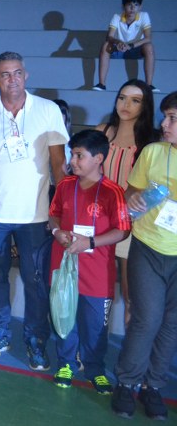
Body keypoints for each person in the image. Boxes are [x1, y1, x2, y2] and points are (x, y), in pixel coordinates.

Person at [0, 51, 68, 370]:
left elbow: (58, 164)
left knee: (35, 281)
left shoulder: (48, 110)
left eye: (17, 72)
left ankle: (36, 340)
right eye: (5, 74)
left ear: (26, 75)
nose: (13, 79)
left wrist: (63, 209)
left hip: (36, 217)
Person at [111, 92, 177, 421]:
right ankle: (126, 383)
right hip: (148, 246)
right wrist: (134, 199)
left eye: (173, 119)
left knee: (171, 323)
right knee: (146, 319)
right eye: (165, 116)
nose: (164, 124)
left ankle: (153, 386)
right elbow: (130, 192)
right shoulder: (153, 152)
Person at [48, 129, 130, 393]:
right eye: (72, 154)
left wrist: (91, 242)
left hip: (97, 274)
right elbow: (53, 215)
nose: (72, 161)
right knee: (64, 318)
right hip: (64, 267)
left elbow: (123, 230)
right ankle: (66, 364)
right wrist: (57, 231)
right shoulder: (64, 186)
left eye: (79, 155)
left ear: (98, 158)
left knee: (95, 326)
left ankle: (95, 369)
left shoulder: (113, 192)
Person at [95, 79, 157, 327]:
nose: (126, 104)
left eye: (135, 100)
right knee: (94, 290)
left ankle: (131, 346)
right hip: (97, 218)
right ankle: (92, 341)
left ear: (145, 105)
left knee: (131, 295)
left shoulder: (152, 141)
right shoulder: (102, 131)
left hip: (132, 224)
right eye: (122, 97)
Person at [94, 0, 157, 93]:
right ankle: (101, 84)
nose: (132, 8)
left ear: (140, 7)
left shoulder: (144, 16)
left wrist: (131, 45)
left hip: (136, 49)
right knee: (106, 45)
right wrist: (118, 42)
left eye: (136, 5)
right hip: (120, 48)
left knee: (149, 46)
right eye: (129, 5)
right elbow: (109, 36)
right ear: (123, 6)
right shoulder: (116, 17)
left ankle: (149, 85)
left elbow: (148, 37)